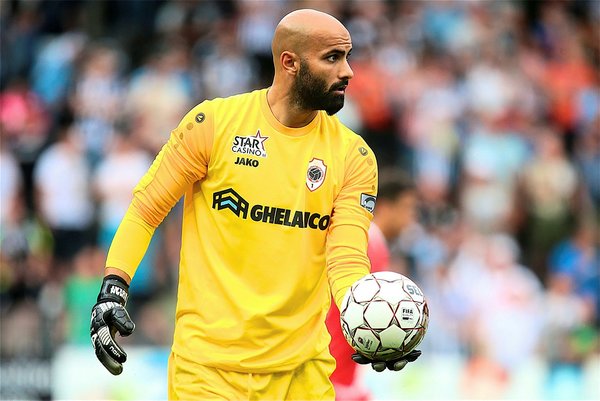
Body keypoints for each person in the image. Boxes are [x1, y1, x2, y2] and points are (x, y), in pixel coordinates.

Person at [89, 9, 419, 400]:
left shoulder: (354, 157)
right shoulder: (213, 124)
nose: (348, 72)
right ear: (290, 62)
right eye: (332, 57)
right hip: (207, 373)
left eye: (347, 57)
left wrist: (366, 319)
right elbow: (145, 210)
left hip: (302, 375)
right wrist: (113, 288)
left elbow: (346, 258)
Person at [326, 169, 420, 401]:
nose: (411, 219)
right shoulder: (370, 243)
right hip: (336, 373)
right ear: (386, 207)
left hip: (338, 372)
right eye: (407, 208)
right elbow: (367, 312)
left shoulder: (365, 241)